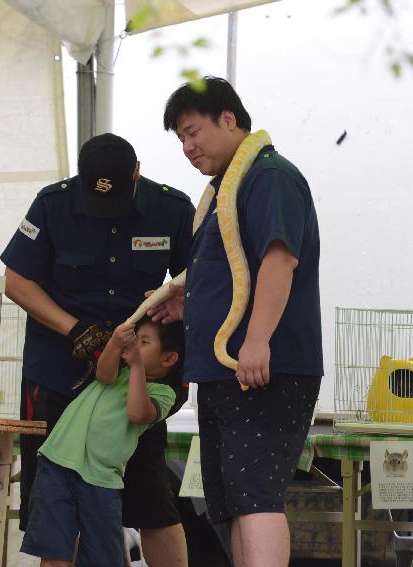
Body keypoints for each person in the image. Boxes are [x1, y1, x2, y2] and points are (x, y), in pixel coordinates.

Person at [149, 76, 323, 567]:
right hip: (224, 369)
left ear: (229, 119)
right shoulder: (226, 188)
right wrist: (192, 303)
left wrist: (258, 340)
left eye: (192, 131)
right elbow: (234, 271)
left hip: (264, 366)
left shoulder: (268, 176)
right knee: (232, 502)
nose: (187, 147)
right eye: (179, 138)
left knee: (256, 496)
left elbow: (279, 259)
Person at [0, 133, 194, 566]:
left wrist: (177, 301)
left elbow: (202, 281)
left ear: (136, 174)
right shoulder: (52, 204)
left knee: (152, 503)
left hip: (135, 383)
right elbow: (17, 281)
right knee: (55, 515)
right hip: (58, 376)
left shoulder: (172, 209)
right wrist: (75, 331)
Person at [20, 318, 183, 566]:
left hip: (101, 479)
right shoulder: (119, 370)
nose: (136, 345)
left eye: (145, 342)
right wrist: (116, 342)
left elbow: (138, 413)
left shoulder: (163, 392)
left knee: (102, 557)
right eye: (136, 338)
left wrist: (137, 366)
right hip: (56, 462)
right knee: (53, 551)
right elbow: (103, 374)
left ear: (169, 358)